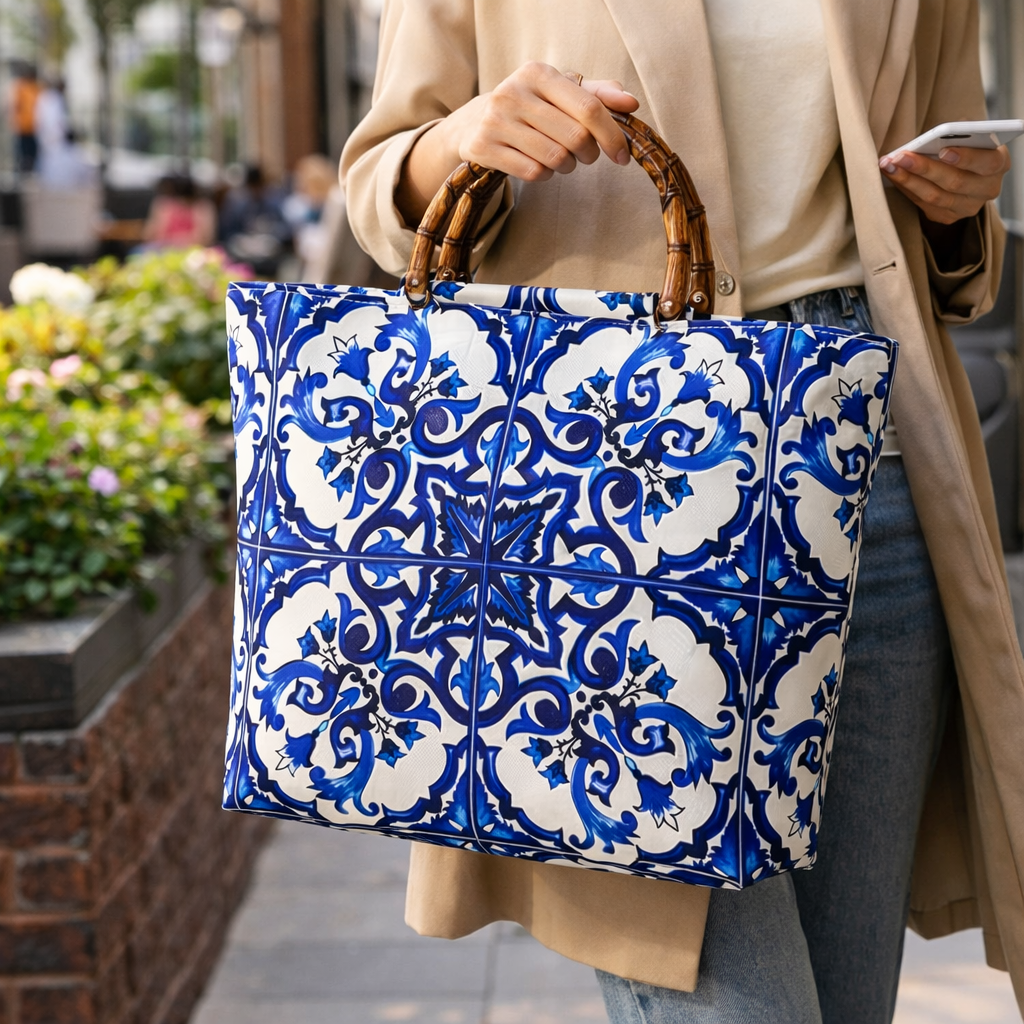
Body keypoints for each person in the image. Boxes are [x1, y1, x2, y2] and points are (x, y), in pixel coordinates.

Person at [340, 2, 1024, 1021]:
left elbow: (939, 220)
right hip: (613, 505)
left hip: (869, 471)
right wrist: (461, 140)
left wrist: (959, 204)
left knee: (846, 1001)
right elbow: (377, 179)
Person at [143, 174, 217, 250]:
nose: (182, 202)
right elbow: (149, 235)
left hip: (194, 252)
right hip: (162, 251)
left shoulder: (203, 207)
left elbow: (206, 239)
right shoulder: (162, 205)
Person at [7, 64, 42, 174]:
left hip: (34, 127)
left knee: (32, 153)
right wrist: (14, 121)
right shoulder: (21, 87)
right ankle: (21, 173)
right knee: (21, 154)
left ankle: (30, 172)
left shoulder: (36, 88)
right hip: (22, 127)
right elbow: (15, 106)